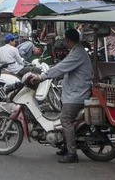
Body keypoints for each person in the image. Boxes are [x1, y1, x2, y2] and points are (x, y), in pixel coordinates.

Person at [33, 29, 92, 163]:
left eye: (65, 40)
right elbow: (63, 66)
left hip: (77, 94)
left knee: (65, 120)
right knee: (65, 119)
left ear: (68, 40)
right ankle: (65, 145)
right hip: (74, 91)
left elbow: (62, 68)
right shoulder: (77, 51)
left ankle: (72, 153)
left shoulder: (77, 53)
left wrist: (42, 77)